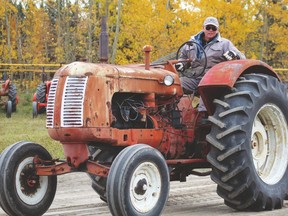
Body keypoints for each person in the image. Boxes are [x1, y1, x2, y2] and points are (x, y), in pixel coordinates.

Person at [176, 16, 246, 112]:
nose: (211, 30)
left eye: (214, 28)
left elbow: (242, 58)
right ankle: (172, 114)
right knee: (175, 84)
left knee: (205, 94)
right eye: (208, 27)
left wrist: (234, 55)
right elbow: (184, 57)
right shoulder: (191, 43)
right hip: (194, 78)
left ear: (217, 30)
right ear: (203, 27)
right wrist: (181, 64)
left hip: (211, 80)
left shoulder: (224, 44)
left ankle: (204, 118)